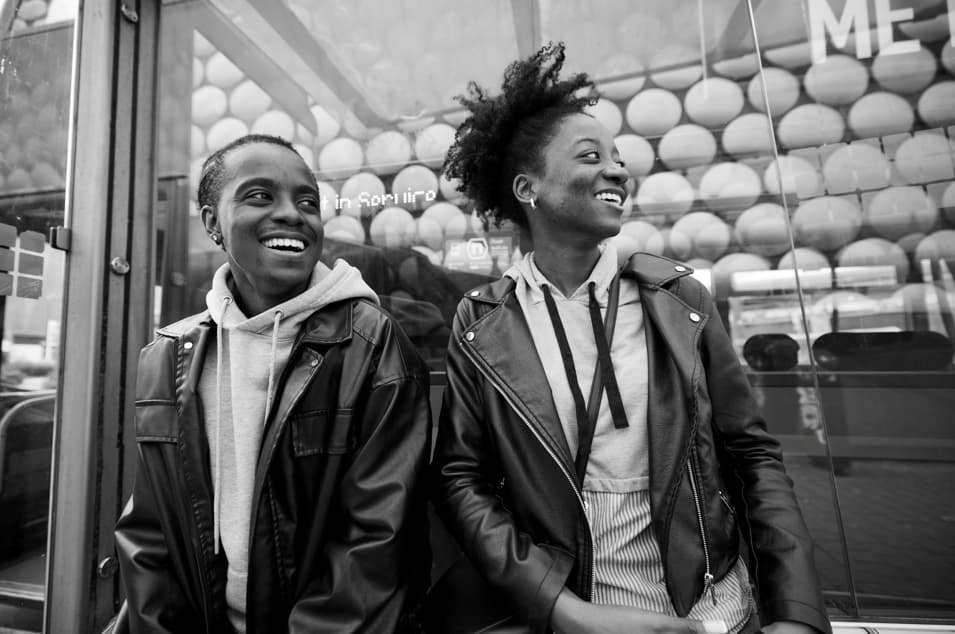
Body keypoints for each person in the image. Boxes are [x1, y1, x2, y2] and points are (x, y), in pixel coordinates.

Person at [429, 43, 830, 634]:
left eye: (618, 157)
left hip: (713, 612)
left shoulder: (678, 300)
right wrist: (564, 611)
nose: (618, 170)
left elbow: (753, 457)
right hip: (573, 613)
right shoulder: (481, 319)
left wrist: (796, 613)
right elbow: (462, 480)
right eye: (592, 156)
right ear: (526, 189)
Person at [114, 134, 431, 633]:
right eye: (260, 196)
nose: (292, 214)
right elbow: (152, 532)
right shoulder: (168, 355)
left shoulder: (370, 344)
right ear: (211, 222)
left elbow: (377, 544)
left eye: (308, 202)